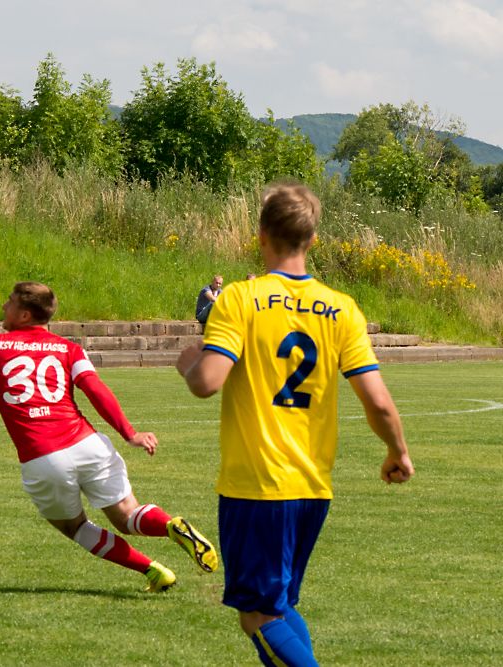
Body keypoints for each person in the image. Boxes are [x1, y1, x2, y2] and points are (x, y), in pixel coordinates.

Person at [175, 181, 414, 667]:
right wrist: (398, 452)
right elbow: (379, 402)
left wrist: (187, 362)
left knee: (257, 616)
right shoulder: (341, 308)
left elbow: (207, 382)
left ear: (261, 234)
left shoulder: (240, 299)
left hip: (257, 484)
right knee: (277, 606)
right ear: (312, 238)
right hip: (312, 486)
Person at [0, 282, 218, 592]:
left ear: (24, 315)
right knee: (128, 514)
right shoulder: (68, 348)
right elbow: (95, 389)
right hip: (88, 444)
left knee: (74, 528)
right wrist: (129, 433)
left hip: (43, 457)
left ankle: (154, 571)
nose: (2, 308)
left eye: (8, 302)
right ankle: (171, 526)